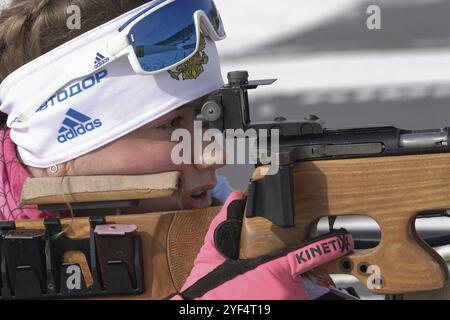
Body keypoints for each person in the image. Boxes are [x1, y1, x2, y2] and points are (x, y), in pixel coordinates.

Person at [0, 0, 354, 299]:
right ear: (61, 150)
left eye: (207, 118)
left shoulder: (226, 233)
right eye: (170, 125)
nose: (215, 155)